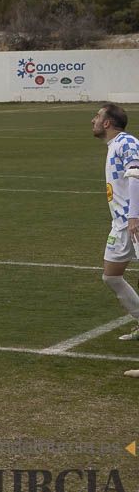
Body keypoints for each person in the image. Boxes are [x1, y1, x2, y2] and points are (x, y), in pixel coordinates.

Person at [90, 104, 139, 345]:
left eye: (97, 117)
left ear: (107, 123)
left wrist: (134, 215)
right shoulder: (113, 146)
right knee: (111, 277)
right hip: (121, 224)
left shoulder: (126, 142)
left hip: (134, 222)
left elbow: (136, 174)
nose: (93, 120)